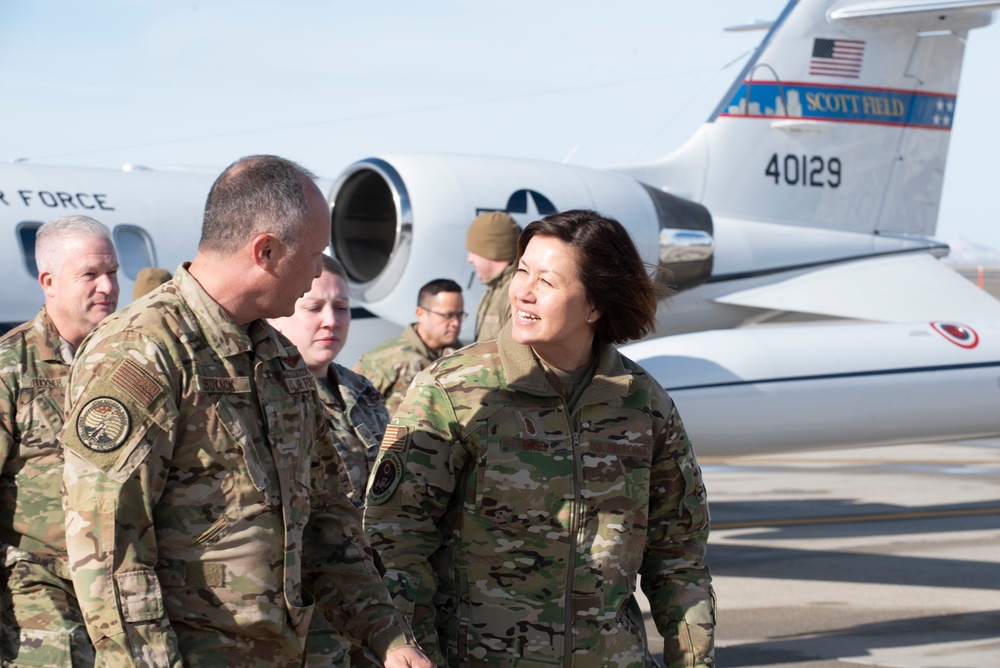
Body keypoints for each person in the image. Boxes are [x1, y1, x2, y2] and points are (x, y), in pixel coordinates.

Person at [59, 155, 431, 668]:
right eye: (315, 253)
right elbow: (109, 552)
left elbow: (326, 517)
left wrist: (389, 639)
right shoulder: (142, 352)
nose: (319, 270)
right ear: (267, 251)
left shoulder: (279, 360)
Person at [364, 209, 715, 667]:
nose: (522, 292)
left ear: (595, 304)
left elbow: (678, 554)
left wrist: (694, 660)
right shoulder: (456, 390)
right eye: (522, 271)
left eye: (546, 282)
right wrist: (412, 650)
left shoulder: (643, 405)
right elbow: (396, 538)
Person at [0, 215, 119, 667]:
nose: (107, 286)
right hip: (41, 596)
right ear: (48, 281)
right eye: (90, 274)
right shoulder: (11, 369)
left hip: (122, 587)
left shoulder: (131, 361)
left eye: (111, 271)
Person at [269, 254, 390, 667]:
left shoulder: (361, 390)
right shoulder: (268, 395)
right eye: (314, 307)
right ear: (281, 313)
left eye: (341, 308)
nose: (331, 321)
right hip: (309, 607)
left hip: (372, 598)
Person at [353, 279, 464, 416]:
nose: (456, 323)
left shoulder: (463, 358)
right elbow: (355, 412)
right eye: (448, 315)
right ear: (421, 314)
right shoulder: (385, 360)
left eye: (460, 315)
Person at [465, 210, 519, 342]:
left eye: (474, 252)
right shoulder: (494, 288)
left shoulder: (514, 292)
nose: (469, 259)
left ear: (493, 251)